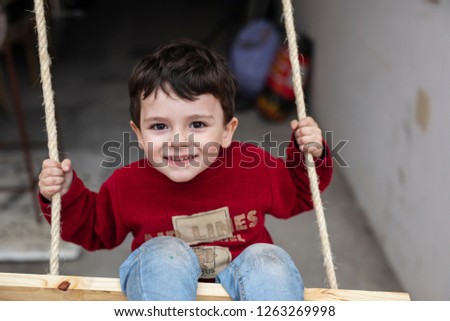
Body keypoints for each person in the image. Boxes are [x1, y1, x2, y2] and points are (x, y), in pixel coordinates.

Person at [38, 39, 333, 301]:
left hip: (247, 281)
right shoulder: (127, 185)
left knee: (270, 261)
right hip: (161, 285)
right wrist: (64, 194)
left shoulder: (251, 166)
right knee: (166, 253)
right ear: (139, 134)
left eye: (197, 124)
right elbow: (94, 227)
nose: (179, 141)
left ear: (227, 131)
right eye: (159, 126)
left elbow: (299, 191)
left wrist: (310, 154)